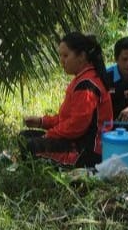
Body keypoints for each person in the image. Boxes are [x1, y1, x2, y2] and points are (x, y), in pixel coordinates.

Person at [21, 32, 114, 168]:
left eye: (66, 56)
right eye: (60, 56)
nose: (62, 61)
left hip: (87, 152)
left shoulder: (87, 85)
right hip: (76, 143)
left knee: (31, 146)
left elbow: (76, 126)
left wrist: (48, 135)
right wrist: (42, 122)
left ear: (81, 56)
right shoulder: (82, 79)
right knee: (24, 137)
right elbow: (67, 119)